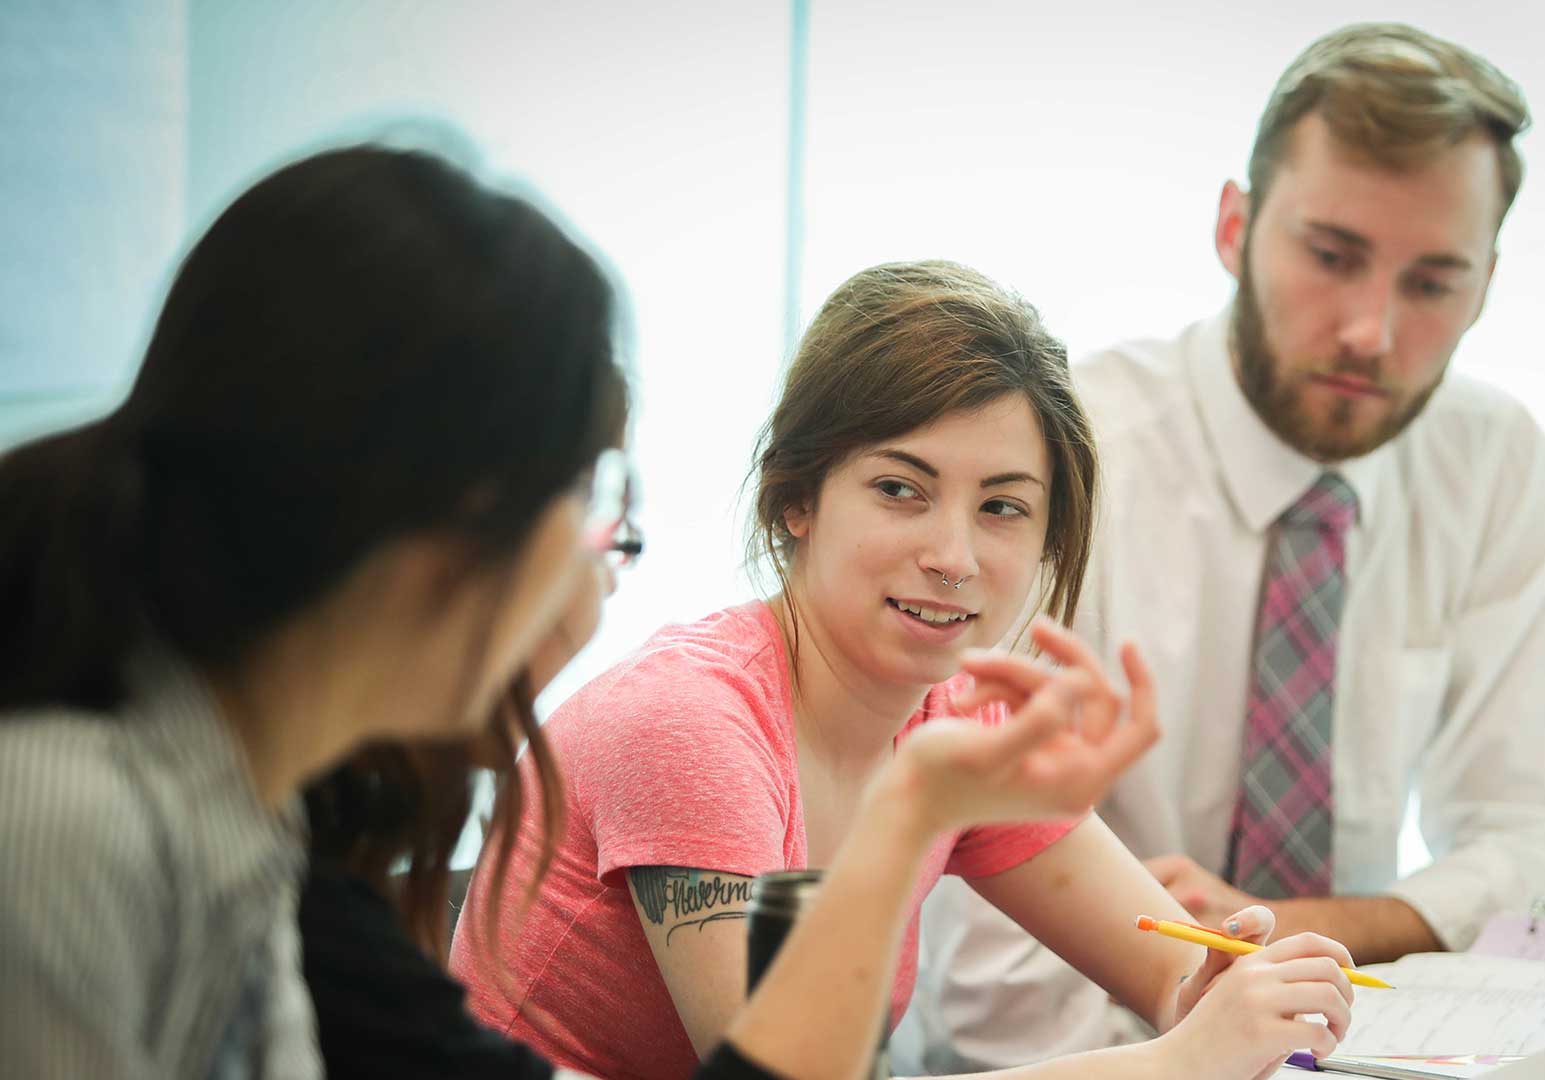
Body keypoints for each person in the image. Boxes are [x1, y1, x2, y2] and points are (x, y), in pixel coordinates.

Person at [0, 143, 1153, 1080]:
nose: (601, 564)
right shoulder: (70, 826)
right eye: (591, 494)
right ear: (436, 516)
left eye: (1005, 509)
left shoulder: (261, 816)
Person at [900, 22, 1545, 1071]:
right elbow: (993, 986)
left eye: (1432, 283)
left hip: (1338, 1042)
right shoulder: (1060, 459)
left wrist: (1297, 925)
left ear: (1488, 284)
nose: (1371, 331)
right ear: (1235, 227)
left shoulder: (1496, 465)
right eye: (1331, 256)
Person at [451, 259, 1360, 1080]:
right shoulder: (692, 722)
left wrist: (1225, 994)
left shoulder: (955, 718)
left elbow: (1176, 976)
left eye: (1003, 507)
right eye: (900, 490)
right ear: (795, 497)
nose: (954, 555)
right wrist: (1178, 1064)